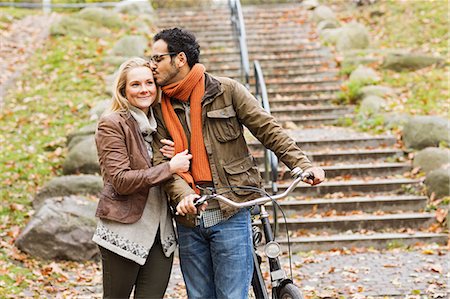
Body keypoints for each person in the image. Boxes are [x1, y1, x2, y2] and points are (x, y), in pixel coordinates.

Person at [150, 28, 325, 299]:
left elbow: (268, 129)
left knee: (233, 295)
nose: (152, 65)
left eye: (158, 58)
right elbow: (162, 161)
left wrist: (302, 165)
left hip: (231, 210)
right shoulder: (159, 106)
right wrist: (183, 196)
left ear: (180, 59)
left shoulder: (226, 90)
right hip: (189, 218)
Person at [92, 57, 192, 299]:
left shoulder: (162, 124)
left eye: (149, 82)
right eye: (135, 84)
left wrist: (173, 152)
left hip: (160, 232)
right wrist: (169, 167)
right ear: (123, 90)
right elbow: (121, 180)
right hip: (124, 228)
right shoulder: (112, 124)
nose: (144, 89)